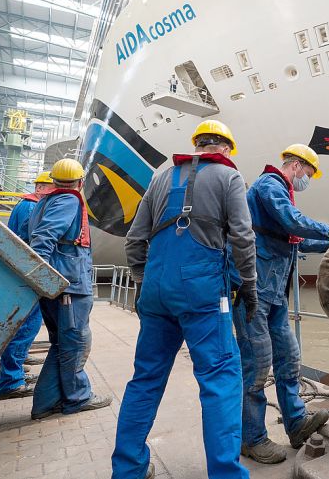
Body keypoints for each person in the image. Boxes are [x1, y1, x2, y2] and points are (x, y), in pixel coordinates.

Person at [112, 120, 257, 479]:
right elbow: (242, 236)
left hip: (155, 290)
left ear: (196, 145)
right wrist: (250, 286)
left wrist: (143, 281)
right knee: (221, 377)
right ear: (224, 148)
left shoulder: (161, 178)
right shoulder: (229, 177)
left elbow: (134, 240)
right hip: (202, 290)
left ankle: (128, 469)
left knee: (145, 378)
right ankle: (225, 473)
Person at [234, 143, 329, 464]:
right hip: (253, 293)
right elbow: (293, 222)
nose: (307, 180)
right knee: (257, 366)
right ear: (296, 166)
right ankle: (252, 439)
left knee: (289, 358)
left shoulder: (282, 195)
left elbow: (299, 239)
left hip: (275, 295)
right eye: (308, 173)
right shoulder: (269, 186)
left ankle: (296, 424)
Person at [28, 158, 111, 420]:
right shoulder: (69, 200)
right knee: (75, 343)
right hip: (69, 286)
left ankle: (45, 403)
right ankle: (78, 397)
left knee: (60, 344)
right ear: (81, 182)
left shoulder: (45, 200)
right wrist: (41, 274)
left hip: (61, 284)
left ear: (53, 180)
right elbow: (45, 236)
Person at [0, 171, 53, 400]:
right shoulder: (31, 207)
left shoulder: (25, 205)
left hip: (21, 272)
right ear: (39, 188)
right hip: (28, 273)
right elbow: (35, 240)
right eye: (50, 187)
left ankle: (12, 372)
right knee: (27, 325)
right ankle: (11, 381)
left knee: (22, 325)